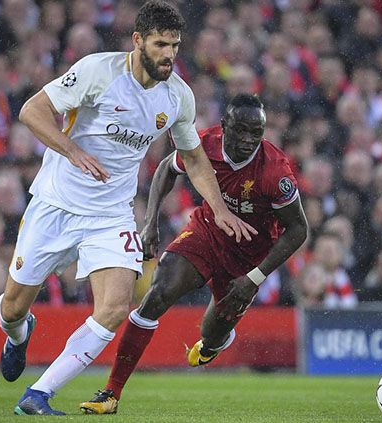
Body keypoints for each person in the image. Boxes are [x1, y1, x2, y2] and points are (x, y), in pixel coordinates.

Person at [3, 1, 255, 416]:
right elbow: (32, 111)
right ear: (138, 41)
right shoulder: (97, 72)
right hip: (56, 204)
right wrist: (72, 151)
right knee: (13, 306)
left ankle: (38, 393)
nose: (169, 54)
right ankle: (17, 334)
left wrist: (221, 209)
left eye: (175, 45)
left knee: (117, 305)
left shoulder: (178, 96)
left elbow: (193, 158)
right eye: (160, 44)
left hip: (111, 214)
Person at [80, 93, 308, 414]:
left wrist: (254, 278)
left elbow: (299, 229)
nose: (247, 140)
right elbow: (166, 168)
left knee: (212, 333)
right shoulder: (205, 144)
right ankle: (111, 393)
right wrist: (150, 224)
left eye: (255, 133)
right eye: (240, 130)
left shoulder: (275, 172)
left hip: (248, 259)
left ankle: (214, 344)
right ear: (224, 125)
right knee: (158, 293)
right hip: (206, 233)